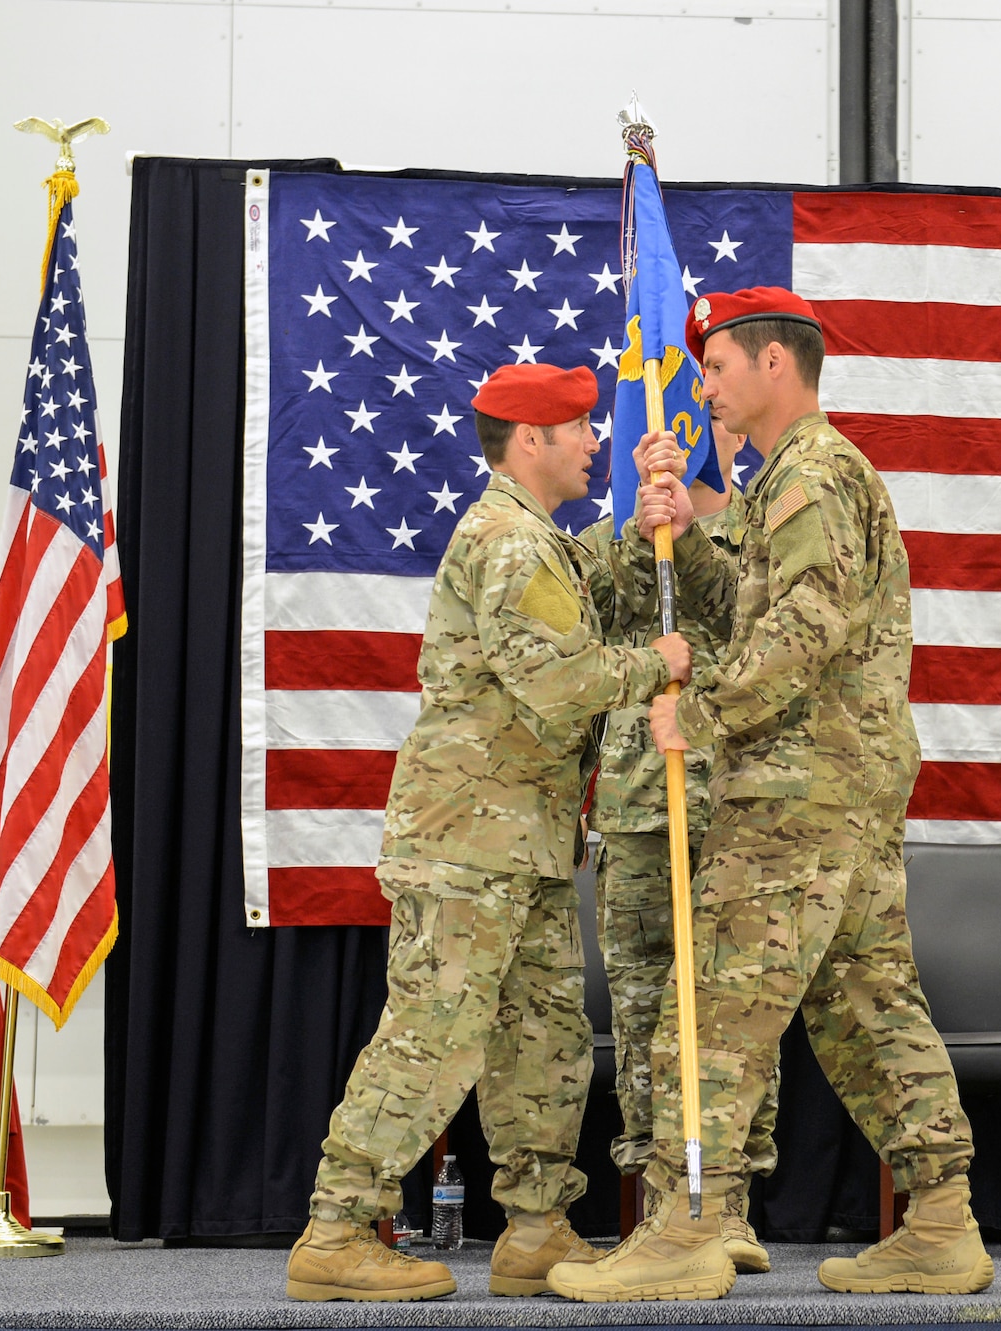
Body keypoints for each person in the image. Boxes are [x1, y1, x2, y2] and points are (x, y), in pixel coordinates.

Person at [545, 288, 991, 1303]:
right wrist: (682, 531)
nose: (702, 386)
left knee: (714, 1004)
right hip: (838, 785)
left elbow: (797, 634)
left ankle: (687, 1224)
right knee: (864, 1003)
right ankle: (938, 1218)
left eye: (715, 366)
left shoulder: (816, 475)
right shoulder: (791, 479)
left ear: (772, 365)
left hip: (797, 789)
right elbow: (746, 605)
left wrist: (691, 719)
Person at [286, 363, 691, 1303]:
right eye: (583, 428)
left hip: (527, 845)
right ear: (531, 439)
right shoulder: (511, 541)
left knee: (540, 1039)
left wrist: (638, 530)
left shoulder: (534, 539)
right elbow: (555, 679)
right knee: (435, 1033)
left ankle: (538, 1226)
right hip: (472, 843)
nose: (597, 443)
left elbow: (574, 588)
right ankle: (338, 1226)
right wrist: (653, 663)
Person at [577, 421, 779, 1275]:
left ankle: (727, 1202)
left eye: (703, 432)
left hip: (736, 810)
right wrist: (640, 531)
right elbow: (587, 634)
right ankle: (659, 1203)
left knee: (738, 1019)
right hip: (636, 812)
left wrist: (690, 538)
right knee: (641, 1013)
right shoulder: (611, 539)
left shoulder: (763, 538)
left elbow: (760, 641)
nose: (690, 447)